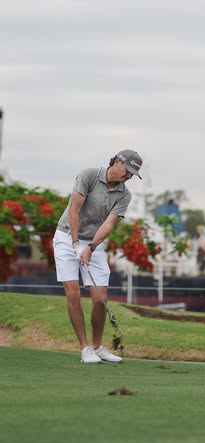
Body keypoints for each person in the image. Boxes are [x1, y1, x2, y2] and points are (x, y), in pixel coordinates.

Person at [53, 149, 143, 364]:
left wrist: (90, 247)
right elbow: (74, 210)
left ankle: (97, 347)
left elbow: (108, 224)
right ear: (116, 162)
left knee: (99, 298)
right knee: (72, 292)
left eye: (133, 174)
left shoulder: (124, 194)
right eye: (128, 170)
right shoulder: (89, 175)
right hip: (66, 236)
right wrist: (75, 244)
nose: (129, 176)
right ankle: (85, 348)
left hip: (93, 242)